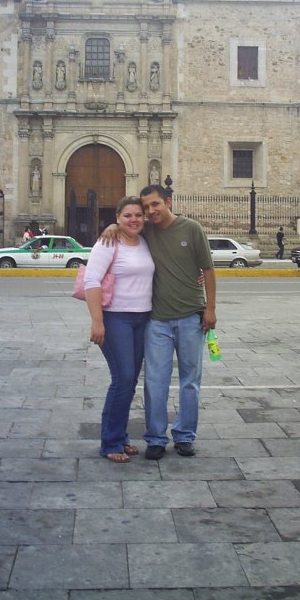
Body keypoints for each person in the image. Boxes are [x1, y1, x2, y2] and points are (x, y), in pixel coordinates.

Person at [102, 184, 216, 460]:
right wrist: (110, 226)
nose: (150, 212)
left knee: (191, 381)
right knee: (155, 381)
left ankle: (185, 436)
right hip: (157, 321)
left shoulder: (192, 229)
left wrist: (210, 308)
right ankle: (155, 437)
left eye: (155, 205)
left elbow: (208, 270)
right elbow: (127, 225)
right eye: (146, 208)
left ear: (168, 202)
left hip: (192, 317)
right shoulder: (146, 230)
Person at [84, 196, 155, 463]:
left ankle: (120, 437)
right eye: (127, 215)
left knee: (129, 380)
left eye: (138, 214)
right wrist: (97, 321)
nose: (134, 219)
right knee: (123, 378)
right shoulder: (108, 242)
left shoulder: (146, 241)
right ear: (117, 217)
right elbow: (92, 280)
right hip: (115, 319)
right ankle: (111, 442)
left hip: (142, 318)